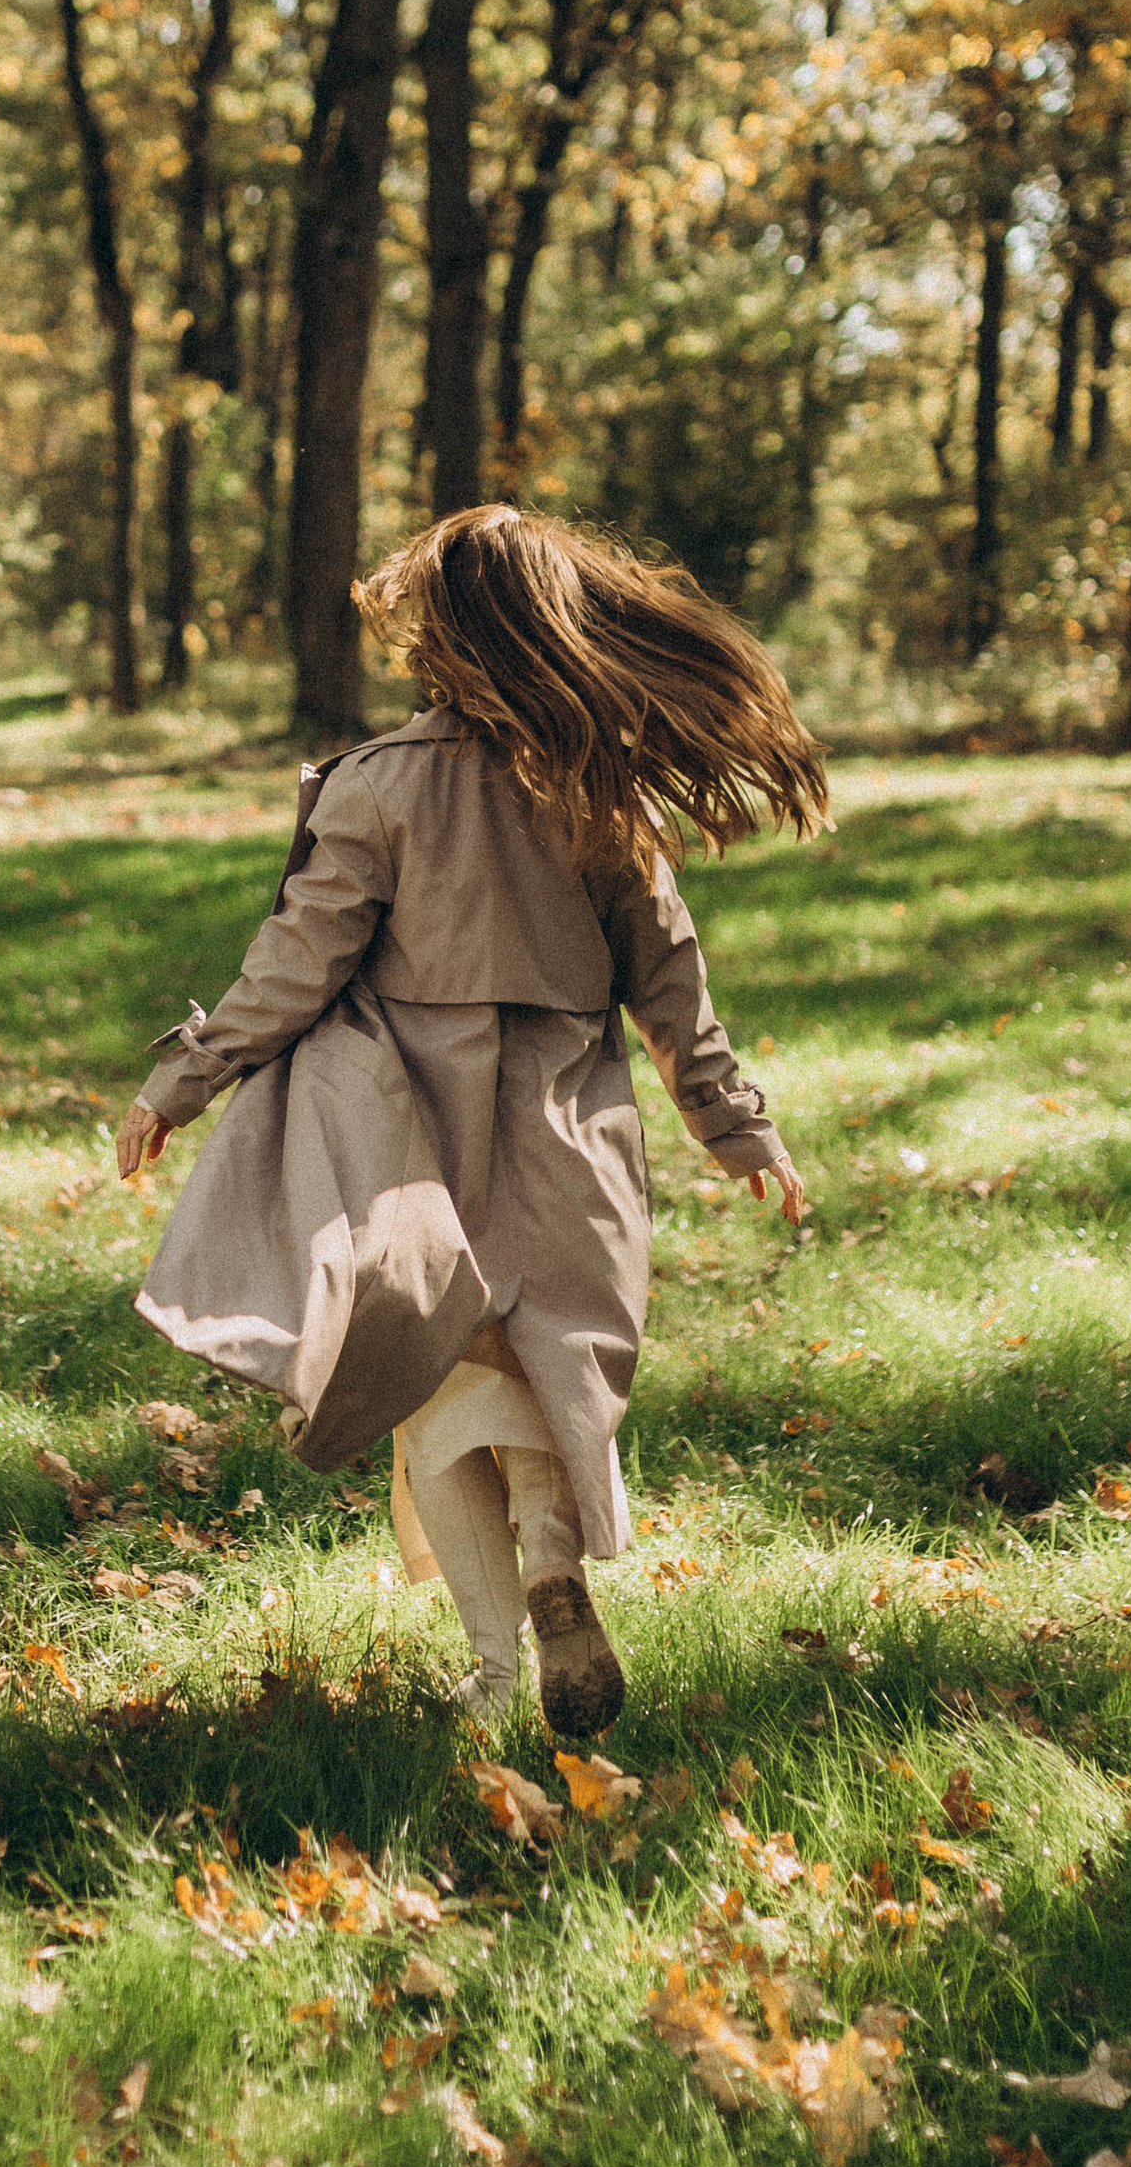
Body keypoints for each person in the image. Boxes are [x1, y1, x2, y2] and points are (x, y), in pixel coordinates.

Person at [114, 504, 822, 1736]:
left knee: (438, 1395)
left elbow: (297, 961)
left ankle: (498, 1664)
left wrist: (183, 1077)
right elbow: (669, 983)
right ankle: (552, 1553)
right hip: (567, 1133)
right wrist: (734, 1123)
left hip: (412, 1144)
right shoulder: (597, 793)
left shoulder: (378, 786)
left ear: (437, 639)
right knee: (546, 1377)